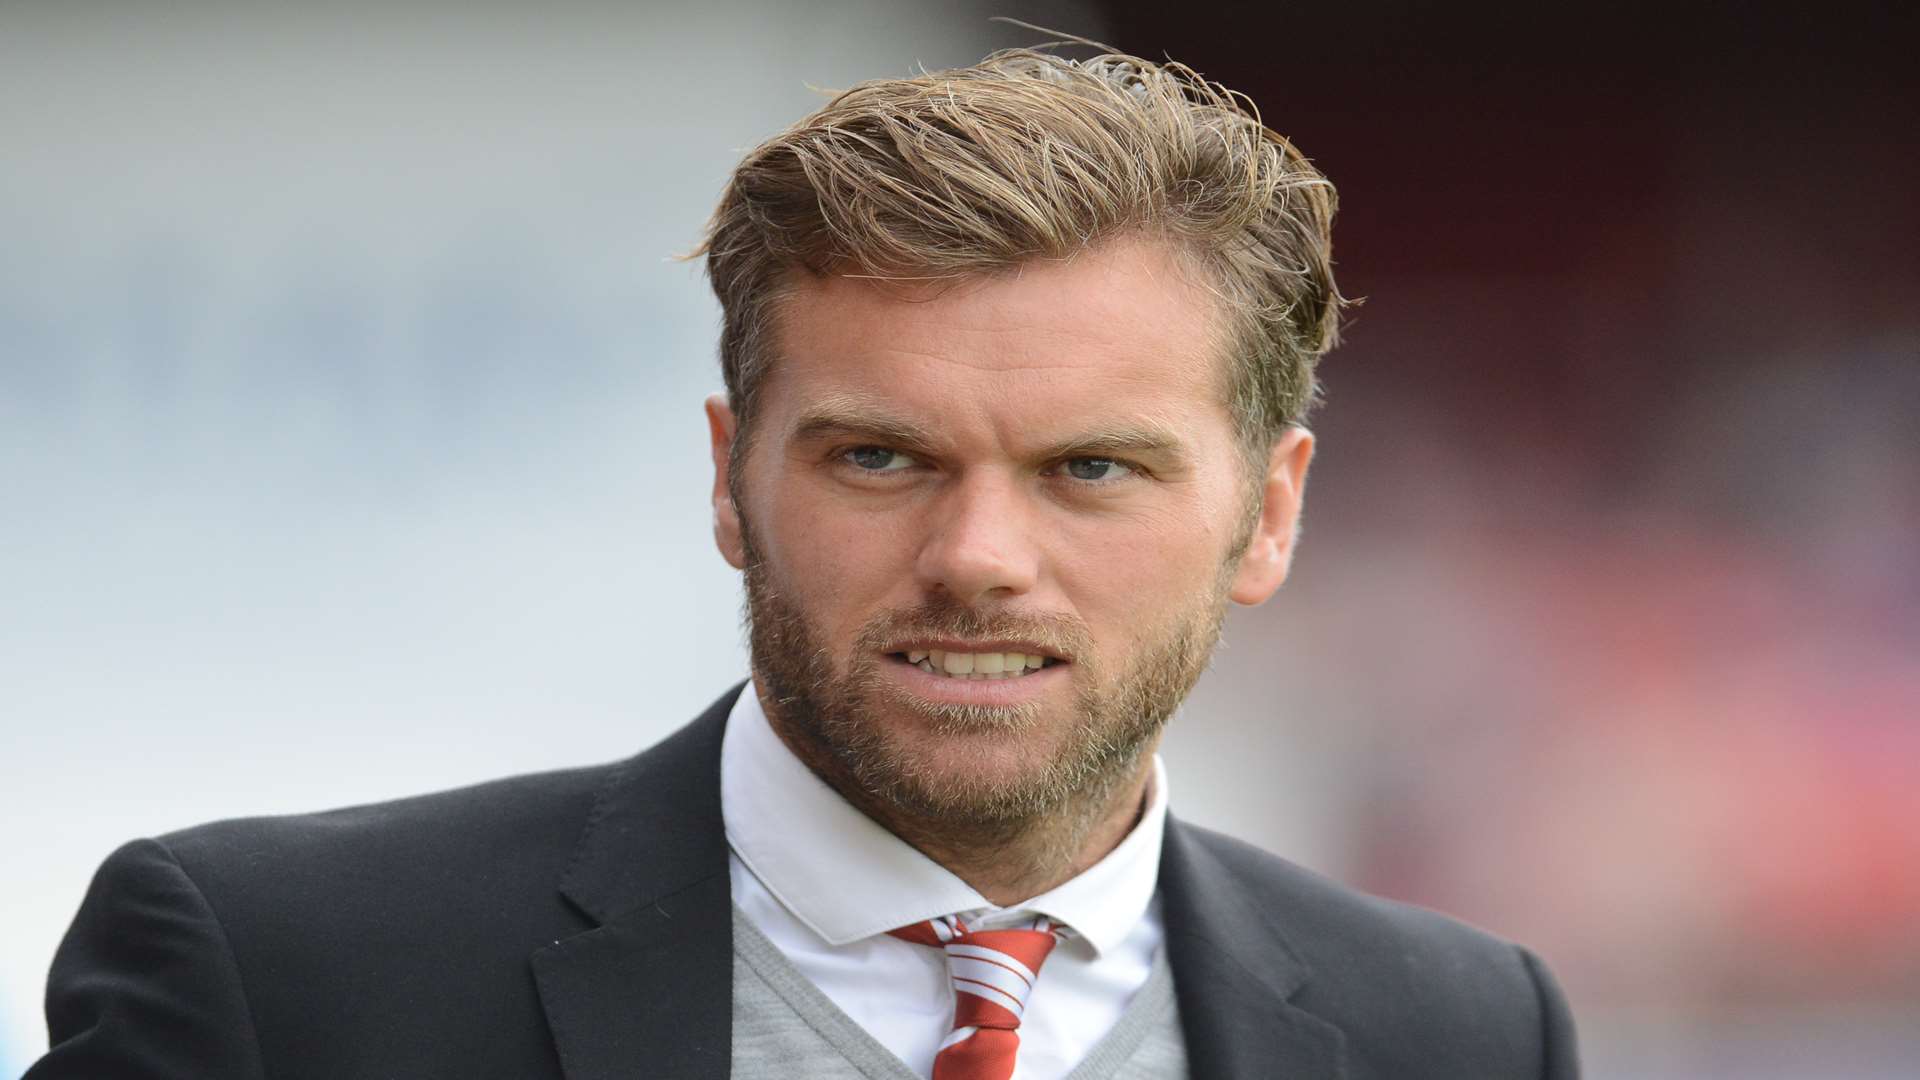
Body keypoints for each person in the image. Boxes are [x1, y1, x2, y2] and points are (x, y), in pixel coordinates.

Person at [27, 47, 1579, 1079]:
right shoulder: (279, 981)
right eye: (881, 458)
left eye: (1090, 469)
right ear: (728, 477)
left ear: (1272, 512)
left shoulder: (1456, 1034)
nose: (978, 558)